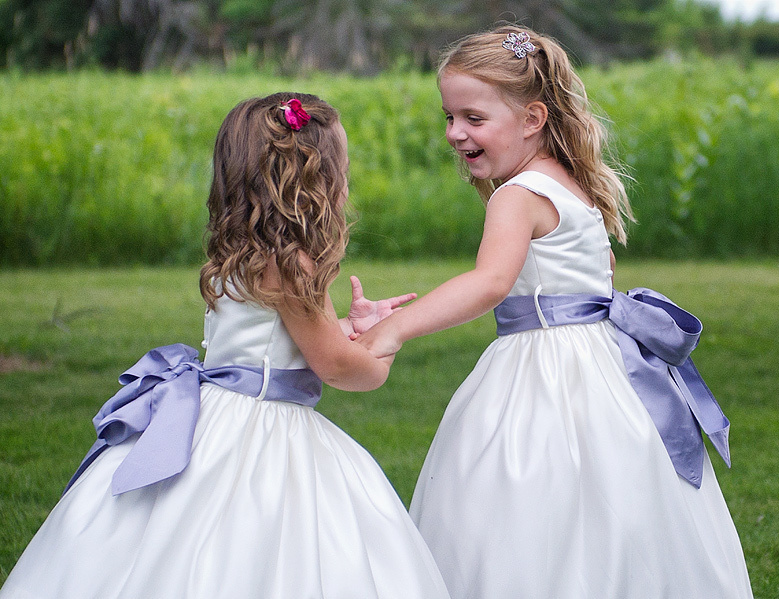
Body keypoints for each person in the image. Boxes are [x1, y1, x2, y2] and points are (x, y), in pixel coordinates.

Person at [0, 93, 450, 599]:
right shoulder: (295, 262)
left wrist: (348, 325)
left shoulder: (241, 250)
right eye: (343, 168)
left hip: (214, 412)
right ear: (316, 181)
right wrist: (382, 345)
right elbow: (337, 367)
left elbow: (272, 343)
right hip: (261, 422)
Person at [357, 26, 754, 598]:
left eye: (472, 117)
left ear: (532, 117)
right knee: (609, 496)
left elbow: (490, 283)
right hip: (605, 368)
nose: (454, 133)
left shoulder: (516, 195)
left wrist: (395, 329)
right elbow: (603, 277)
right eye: (448, 117)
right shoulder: (574, 186)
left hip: (542, 370)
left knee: (524, 498)